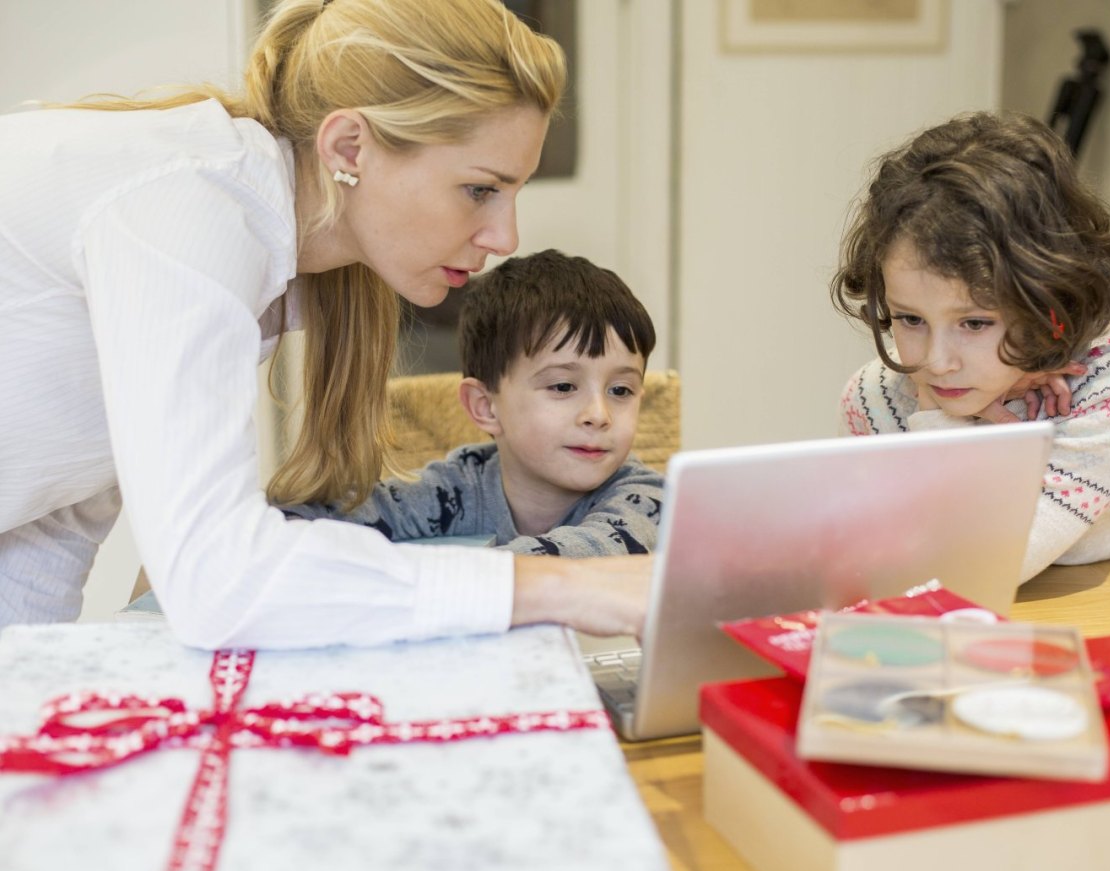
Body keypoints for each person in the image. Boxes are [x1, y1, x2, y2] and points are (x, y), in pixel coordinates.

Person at [0, 0, 652, 646]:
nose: (506, 235)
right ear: (349, 147)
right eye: (481, 189)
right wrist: (566, 586)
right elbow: (217, 583)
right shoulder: (190, 209)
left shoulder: (260, 258)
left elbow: (52, 511)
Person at [832, 110, 1110, 583]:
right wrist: (940, 412)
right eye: (911, 319)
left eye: (974, 323)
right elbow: (894, 572)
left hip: (1102, 629)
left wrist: (946, 421)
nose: (936, 362)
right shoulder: (875, 397)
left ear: (1046, 297)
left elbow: (974, 568)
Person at [282, 249, 664, 556]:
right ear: (485, 406)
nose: (599, 415)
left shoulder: (647, 499)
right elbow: (310, 524)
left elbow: (595, 555)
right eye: (564, 386)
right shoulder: (455, 491)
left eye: (620, 391)